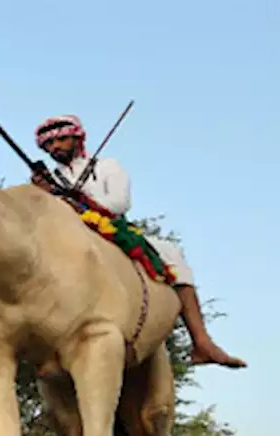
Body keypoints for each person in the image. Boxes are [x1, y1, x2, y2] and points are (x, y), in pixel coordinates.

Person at [32, 114, 245, 368]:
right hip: (65, 235)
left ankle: (201, 341)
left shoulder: (106, 166)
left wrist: (73, 198)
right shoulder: (47, 180)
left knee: (172, 254)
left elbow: (120, 203)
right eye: (49, 145)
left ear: (77, 139)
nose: (55, 147)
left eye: (62, 140)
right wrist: (44, 195)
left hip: (110, 229)